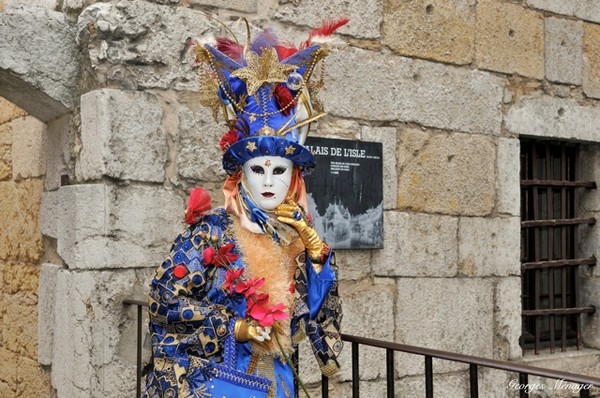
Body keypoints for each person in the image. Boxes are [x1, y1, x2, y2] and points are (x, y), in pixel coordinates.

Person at [142, 18, 348, 398]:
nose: (269, 181)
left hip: (277, 383)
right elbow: (164, 300)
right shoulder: (209, 232)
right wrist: (233, 326)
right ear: (241, 175)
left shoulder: (294, 238)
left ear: (294, 177)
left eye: (279, 170)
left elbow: (315, 318)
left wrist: (316, 252)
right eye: (258, 169)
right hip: (219, 383)